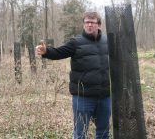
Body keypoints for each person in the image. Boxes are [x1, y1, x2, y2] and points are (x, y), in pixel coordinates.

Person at [36, 11, 111, 139]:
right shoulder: (76, 42)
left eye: (92, 22)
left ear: (99, 25)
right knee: (80, 134)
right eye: (86, 22)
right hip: (83, 97)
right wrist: (46, 51)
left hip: (104, 96)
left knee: (103, 133)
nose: (89, 25)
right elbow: (59, 52)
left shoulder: (107, 41)